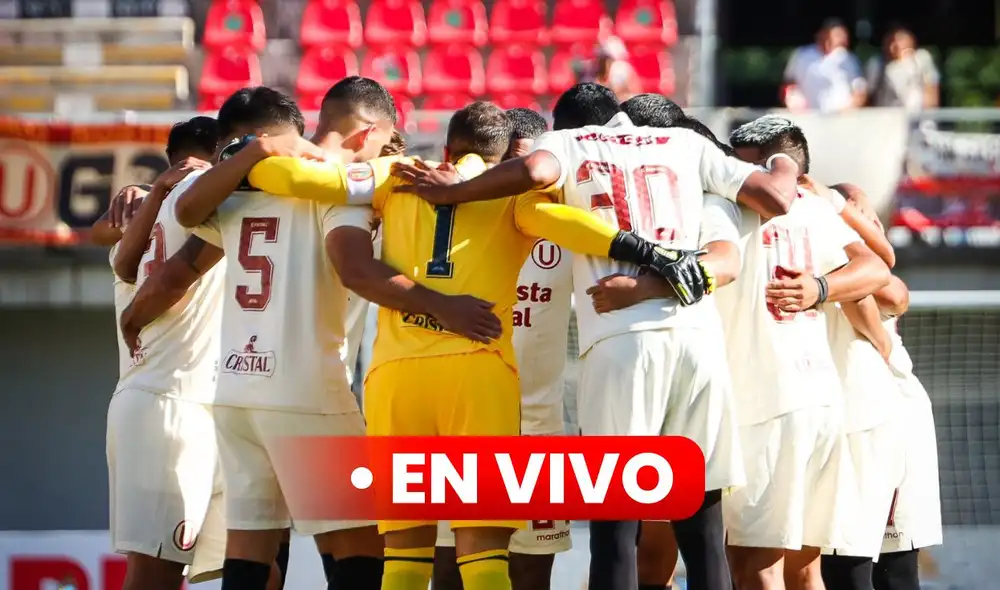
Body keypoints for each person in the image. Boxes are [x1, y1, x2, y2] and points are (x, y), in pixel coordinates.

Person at [247, 97, 691, 590]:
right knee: (484, 559)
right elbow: (571, 226)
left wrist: (252, 155)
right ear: (503, 157)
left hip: (397, 377)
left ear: (446, 148)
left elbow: (297, 180)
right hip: (479, 375)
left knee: (404, 558)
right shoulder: (516, 197)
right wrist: (649, 252)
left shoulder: (397, 172)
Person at [391, 83, 804, 590]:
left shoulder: (570, 145)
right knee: (702, 527)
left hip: (620, 343)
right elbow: (776, 199)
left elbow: (534, 172)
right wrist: (785, 160)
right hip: (697, 340)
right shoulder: (686, 144)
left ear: (563, 126)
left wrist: (452, 190)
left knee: (615, 530)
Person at [169, 86, 391, 590]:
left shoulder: (241, 186)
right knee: (361, 545)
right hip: (305, 388)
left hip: (237, 389)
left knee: (250, 548)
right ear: (368, 133)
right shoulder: (338, 187)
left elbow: (186, 215)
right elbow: (357, 270)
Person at [721, 115, 891, 590]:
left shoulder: (730, 210)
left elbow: (879, 272)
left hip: (767, 408)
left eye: (746, 167)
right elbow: (878, 268)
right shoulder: (813, 210)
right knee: (803, 569)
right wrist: (821, 288)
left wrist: (819, 288)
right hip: (819, 403)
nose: (736, 176)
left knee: (755, 567)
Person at [432, 107, 573, 590]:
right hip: (461, 423)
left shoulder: (564, 215)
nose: (513, 178)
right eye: (506, 165)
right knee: (450, 569)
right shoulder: (450, 216)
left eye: (525, 166)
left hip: (536, 430)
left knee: (531, 574)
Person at [103, 118, 226, 590]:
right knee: (156, 574)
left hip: (178, 403)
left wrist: (150, 191)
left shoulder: (139, 214)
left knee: (253, 564)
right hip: (174, 404)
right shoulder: (217, 200)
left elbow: (114, 253)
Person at [830, 185, 943, 590]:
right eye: (861, 211)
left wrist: (883, 342)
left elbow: (896, 294)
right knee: (844, 561)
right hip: (848, 414)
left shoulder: (868, 266)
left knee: (895, 564)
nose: (872, 221)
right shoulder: (824, 251)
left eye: (871, 214)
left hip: (892, 409)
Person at [782, 18, 867, 113]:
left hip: (841, 117)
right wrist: (792, 99)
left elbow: (860, 90)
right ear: (820, 34)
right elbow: (789, 83)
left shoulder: (848, 59)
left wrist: (850, 108)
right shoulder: (801, 54)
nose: (831, 39)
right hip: (808, 115)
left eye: (837, 35)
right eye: (828, 35)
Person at [866, 26, 940, 110]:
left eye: (900, 40)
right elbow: (869, 94)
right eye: (891, 41)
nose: (895, 45)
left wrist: (930, 112)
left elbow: (931, 87)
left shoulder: (921, 59)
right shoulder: (877, 64)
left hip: (917, 113)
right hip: (886, 113)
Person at [575, 36, 643, 101]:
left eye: (608, 58)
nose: (605, 62)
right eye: (603, 58)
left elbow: (635, 92)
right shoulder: (589, 71)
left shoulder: (622, 69)